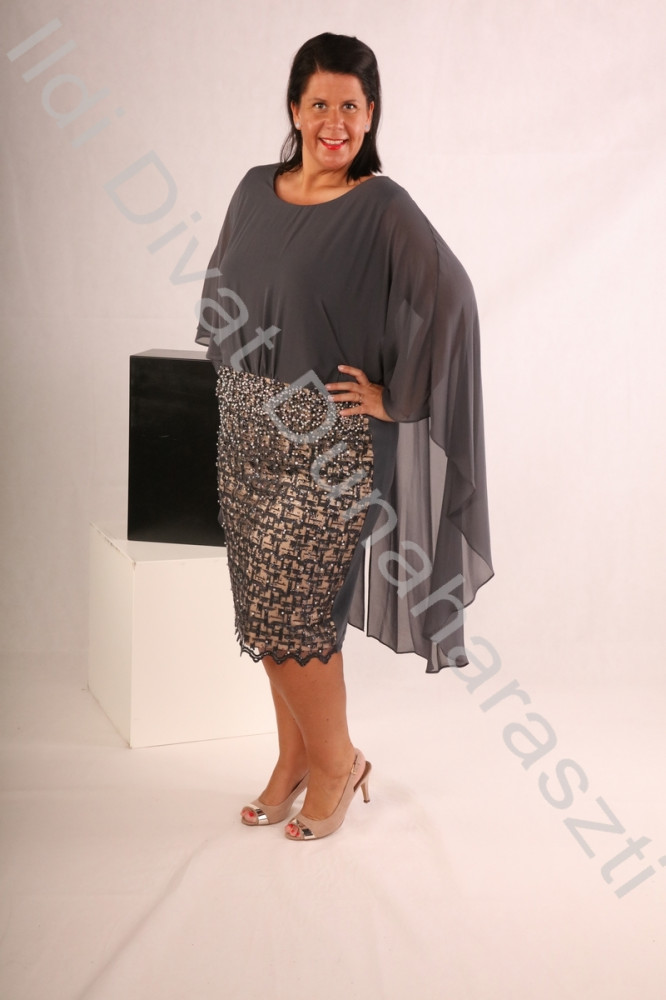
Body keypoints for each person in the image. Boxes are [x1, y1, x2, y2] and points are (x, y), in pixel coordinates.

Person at [195, 32, 493, 841]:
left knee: (295, 611)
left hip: (329, 442)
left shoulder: (382, 207)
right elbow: (224, 291)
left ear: (371, 115)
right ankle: (294, 759)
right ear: (294, 109)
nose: (335, 121)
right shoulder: (253, 189)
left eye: (351, 106)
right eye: (320, 103)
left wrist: (396, 399)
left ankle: (337, 763)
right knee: (263, 609)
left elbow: (454, 299)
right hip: (246, 429)